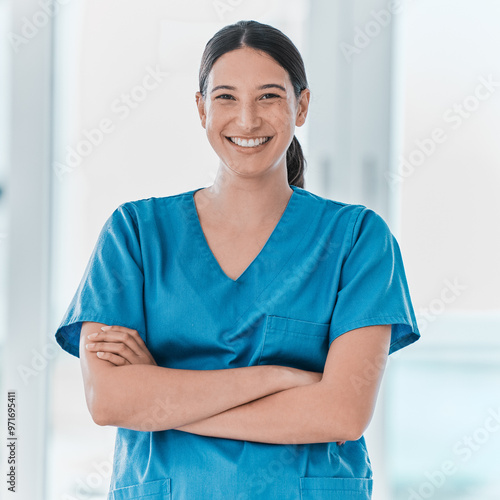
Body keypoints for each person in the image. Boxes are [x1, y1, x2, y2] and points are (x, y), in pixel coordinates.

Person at [54, 19, 420, 500]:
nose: (246, 120)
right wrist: (277, 379)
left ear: (301, 105)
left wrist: (163, 397)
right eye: (226, 97)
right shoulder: (136, 234)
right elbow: (109, 400)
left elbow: (342, 414)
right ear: (202, 108)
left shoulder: (357, 239)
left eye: (268, 96)